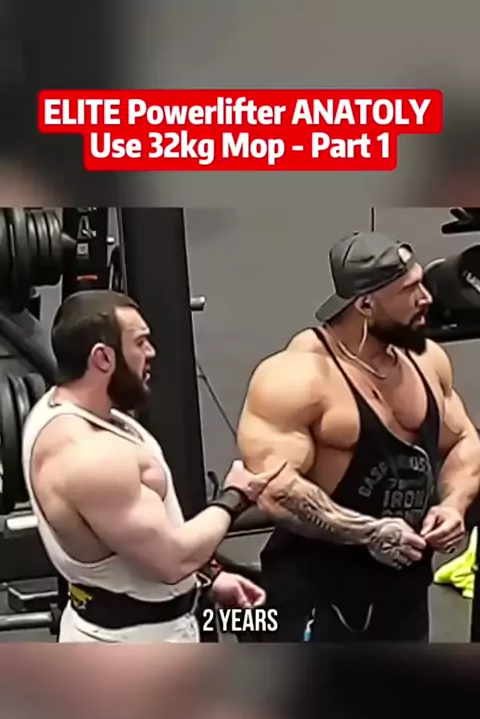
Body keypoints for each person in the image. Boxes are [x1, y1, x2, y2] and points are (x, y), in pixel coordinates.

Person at [237, 231, 480, 642]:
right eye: (409, 290)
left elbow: (463, 441)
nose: (426, 298)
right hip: (319, 593)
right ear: (365, 305)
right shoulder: (297, 377)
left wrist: (454, 505)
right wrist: (368, 532)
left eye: (421, 283)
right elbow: (274, 489)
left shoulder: (426, 360)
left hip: (404, 590)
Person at [22, 290, 278, 643]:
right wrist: (235, 496)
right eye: (140, 342)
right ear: (103, 358)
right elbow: (171, 562)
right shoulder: (90, 457)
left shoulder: (63, 411)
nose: (152, 352)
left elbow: (136, 538)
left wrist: (208, 576)